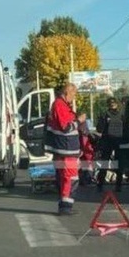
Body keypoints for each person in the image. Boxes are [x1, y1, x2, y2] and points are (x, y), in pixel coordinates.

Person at [44, 83, 82, 215]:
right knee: (70, 178)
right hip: (66, 148)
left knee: (64, 177)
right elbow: (65, 127)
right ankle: (65, 207)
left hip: (64, 148)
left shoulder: (61, 105)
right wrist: (79, 121)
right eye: (73, 94)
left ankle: (64, 206)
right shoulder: (60, 105)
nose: (74, 97)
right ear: (67, 93)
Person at [96, 97, 125, 192]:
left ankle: (118, 184)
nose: (112, 105)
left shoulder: (121, 115)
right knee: (105, 162)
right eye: (111, 104)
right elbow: (99, 128)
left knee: (118, 163)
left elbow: (126, 128)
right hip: (108, 141)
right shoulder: (105, 115)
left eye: (114, 103)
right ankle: (101, 183)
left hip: (117, 141)